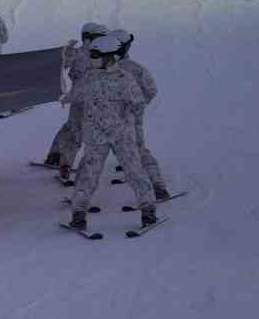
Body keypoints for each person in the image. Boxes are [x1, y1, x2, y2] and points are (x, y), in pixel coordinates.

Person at [66, 35, 155, 230]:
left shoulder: (125, 79)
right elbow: (75, 95)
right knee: (89, 174)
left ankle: (148, 208)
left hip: (121, 135)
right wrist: (64, 96)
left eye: (97, 56)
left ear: (110, 57)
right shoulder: (89, 77)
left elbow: (138, 103)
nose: (93, 59)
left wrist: (124, 119)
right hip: (95, 136)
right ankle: (78, 213)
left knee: (134, 171)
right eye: (92, 55)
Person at [111, 30, 172, 201]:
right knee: (136, 148)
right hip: (130, 118)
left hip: (110, 119)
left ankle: (157, 186)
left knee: (133, 149)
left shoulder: (104, 68)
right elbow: (150, 90)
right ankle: (157, 185)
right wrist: (137, 107)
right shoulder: (136, 68)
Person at [44, 22, 106, 169]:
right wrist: (67, 52)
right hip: (82, 98)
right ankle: (64, 161)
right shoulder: (80, 53)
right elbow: (62, 64)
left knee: (73, 127)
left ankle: (56, 155)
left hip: (92, 98)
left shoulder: (102, 55)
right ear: (87, 38)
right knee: (77, 130)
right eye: (98, 38)